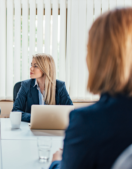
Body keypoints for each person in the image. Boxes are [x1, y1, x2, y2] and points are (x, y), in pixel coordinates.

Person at [49, 8, 132, 169]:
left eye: (89, 49)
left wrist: (55, 162)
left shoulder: (88, 123)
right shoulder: (25, 86)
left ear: (100, 58)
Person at [12, 54, 72, 122]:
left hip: (53, 126)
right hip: (32, 125)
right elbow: (15, 111)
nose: (31, 68)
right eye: (31, 65)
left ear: (45, 69)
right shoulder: (26, 85)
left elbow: (70, 110)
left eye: (35, 66)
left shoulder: (60, 86)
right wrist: (36, 118)